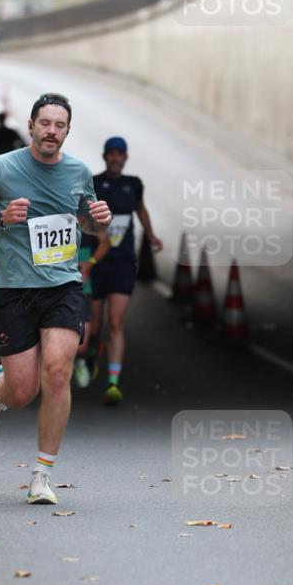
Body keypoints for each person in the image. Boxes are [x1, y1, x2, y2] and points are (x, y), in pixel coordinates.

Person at [0, 92, 112, 505]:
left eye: (60, 126)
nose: (52, 132)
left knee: (58, 372)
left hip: (62, 286)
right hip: (14, 290)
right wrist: (1, 217)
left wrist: (99, 223)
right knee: (23, 391)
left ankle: (42, 476)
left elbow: (87, 224)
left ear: (67, 131)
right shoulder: (2, 169)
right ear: (31, 125)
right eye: (45, 123)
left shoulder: (79, 172)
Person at [86, 137, 163, 404]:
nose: (116, 158)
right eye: (112, 154)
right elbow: (83, 219)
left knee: (116, 322)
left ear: (126, 157)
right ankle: (91, 352)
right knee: (93, 326)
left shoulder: (133, 184)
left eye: (120, 154)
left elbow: (140, 209)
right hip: (97, 262)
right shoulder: (93, 183)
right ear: (105, 156)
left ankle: (113, 382)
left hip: (122, 262)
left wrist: (151, 235)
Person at [73, 229, 110, 388]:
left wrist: (89, 264)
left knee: (82, 347)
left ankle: (79, 360)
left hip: (83, 290)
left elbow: (106, 242)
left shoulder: (88, 217)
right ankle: (59, 370)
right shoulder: (55, 212)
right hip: (56, 289)